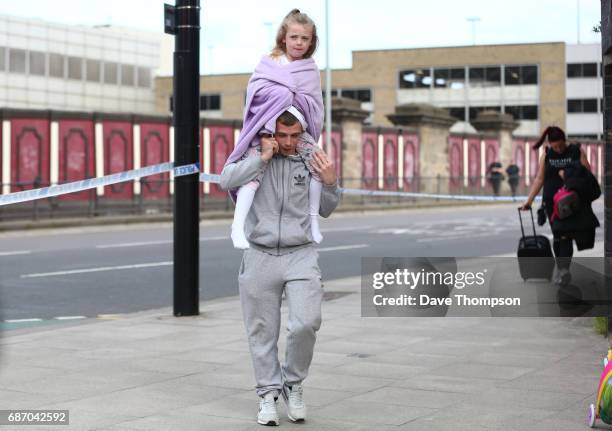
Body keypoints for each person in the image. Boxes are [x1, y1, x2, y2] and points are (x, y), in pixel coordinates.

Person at [220, 110, 340, 426]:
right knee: (261, 331)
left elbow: (326, 208)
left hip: (301, 253)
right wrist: (261, 159)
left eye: (295, 135)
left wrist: (331, 183)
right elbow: (225, 180)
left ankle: (292, 382)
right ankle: (268, 395)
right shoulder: (257, 154)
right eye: (283, 135)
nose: (289, 142)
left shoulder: (310, 157)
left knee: (306, 322)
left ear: (303, 132)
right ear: (273, 132)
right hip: (259, 254)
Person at [224, 9, 325, 250]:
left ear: (311, 42)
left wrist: (290, 96)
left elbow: (314, 104)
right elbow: (255, 94)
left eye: (305, 38)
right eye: (294, 37)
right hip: (265, 130)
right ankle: (237, 227)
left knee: (318, 166)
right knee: (253, 173)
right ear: (283, 37)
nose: (299, 43)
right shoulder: (269, 63)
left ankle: (313, 222)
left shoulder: (310, 69)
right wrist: (283, 95)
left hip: (298, 131)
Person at [520, 126, 595, 286]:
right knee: (558, 235)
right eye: (555, 147)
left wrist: (570, 173)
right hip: (551, 203)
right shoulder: (546, 154)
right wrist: (529, 201)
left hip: (571, 202)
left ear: (565, 141)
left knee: (566, 234)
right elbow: (540, 179)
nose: (558, 149)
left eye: (560, 145)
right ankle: (562, 270)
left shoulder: (576, 151)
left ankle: (563, 270)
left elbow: (587, 173)